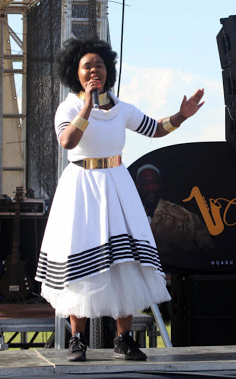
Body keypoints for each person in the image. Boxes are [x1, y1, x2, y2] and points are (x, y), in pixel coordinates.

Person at [35, 37, 205, 362]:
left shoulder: (121, 108)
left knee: (123, 260)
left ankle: (123, 338)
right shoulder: (69, 106)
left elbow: (155, 128)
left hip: (116, 185)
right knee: (81, 262)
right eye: (87, 66)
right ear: (76, 73)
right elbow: (68, 140)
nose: (94, 70)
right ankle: (78, 340)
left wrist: (181, 116)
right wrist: (87, 104)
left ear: (107, 69)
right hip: (82, 188)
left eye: (99, 65)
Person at [136, 165, 214, 266]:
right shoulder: (126, 215)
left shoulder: (183, 216)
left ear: (161, 185)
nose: (150, 188)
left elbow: (208, 250)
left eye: (155, 182)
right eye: (145, 182)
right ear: (137, 185)